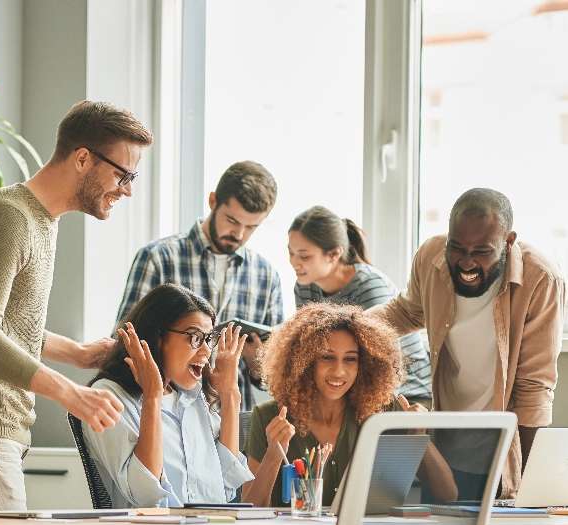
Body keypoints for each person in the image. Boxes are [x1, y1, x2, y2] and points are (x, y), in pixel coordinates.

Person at [0, 101, 153, 525]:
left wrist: (79, 354)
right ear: (83, 157)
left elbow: (6, 323)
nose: (126, 190)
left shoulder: (39, 221)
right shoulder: (9, 219)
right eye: (124, 175)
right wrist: (72, 394)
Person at [368, 188, 566, 498]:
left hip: (503, 454)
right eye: (456, 247)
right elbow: (406, 311)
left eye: (482, 251)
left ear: (508, 241)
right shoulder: (431, 258)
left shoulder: (541, 279)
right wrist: (345, 326)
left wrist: (528, 488)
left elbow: (534, 390)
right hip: (447, 446)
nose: (466, 262)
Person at [241, 303, 455, 508]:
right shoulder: (270, 416)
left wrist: (418, 437)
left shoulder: (383, 410)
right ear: (304, 361)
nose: (339, 371)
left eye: (350, 359)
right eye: (327, 357)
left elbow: (448, 494)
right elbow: (250, 509)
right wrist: (273, 456)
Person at [116, 161, 283, 410]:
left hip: (234, 422)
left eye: (251, 227)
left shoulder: (266, 275)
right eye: (232, 220)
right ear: (213, 201)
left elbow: (276, 375)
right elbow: (125, 341)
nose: (239, 234)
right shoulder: (159, 258)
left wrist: (258, 365)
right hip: (168, 416)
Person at [83, 284, 254, 507]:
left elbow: (225, 488)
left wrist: (230, 393)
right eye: (194, 337)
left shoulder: (192, 399)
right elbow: (145, 494)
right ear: (157, 337)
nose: (205, 351)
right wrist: (153, 397)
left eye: (208, 339)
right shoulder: (108, 397)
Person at [289, 206, 432, 408]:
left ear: (334, 254)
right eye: (291, 253)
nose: (294, 263)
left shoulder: (370, 286)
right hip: (352, 388)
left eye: (304, 256)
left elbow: (387, 371)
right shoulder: (304, 287)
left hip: (407, 396)